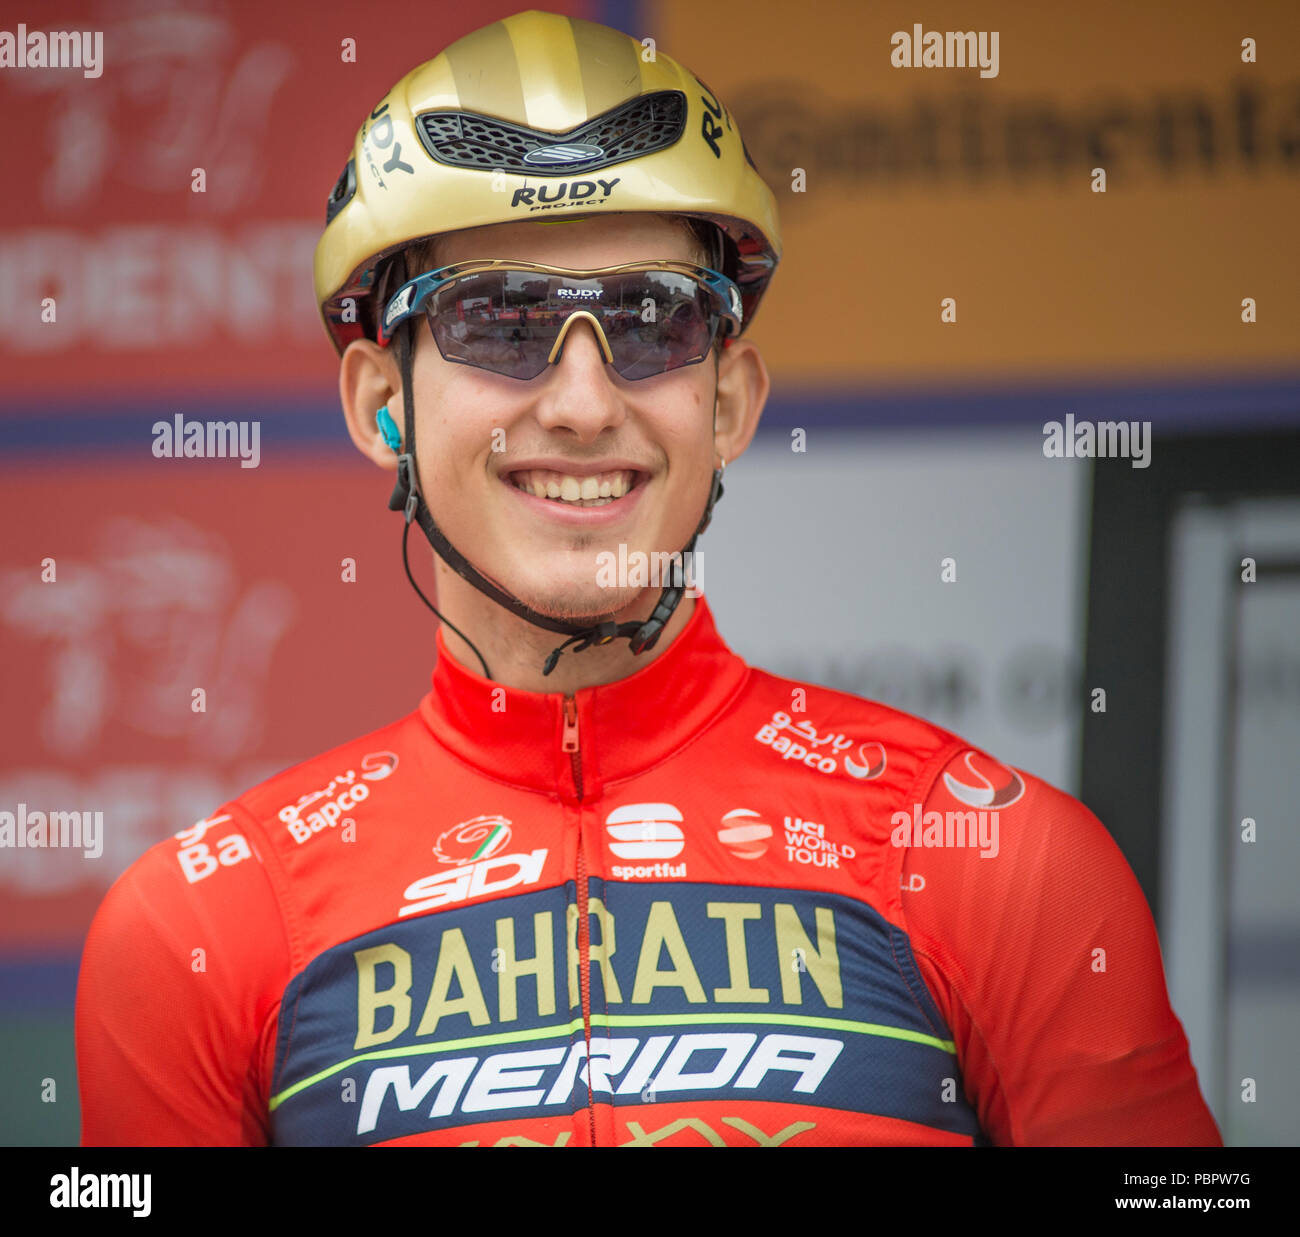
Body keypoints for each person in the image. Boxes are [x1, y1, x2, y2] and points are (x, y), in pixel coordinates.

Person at [76, 9, 1221, 1148]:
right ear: (384, 402)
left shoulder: (995, 859)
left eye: (651, 319)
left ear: (726, 403)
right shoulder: (201, 927)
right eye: (502, 320)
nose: (582, 404)